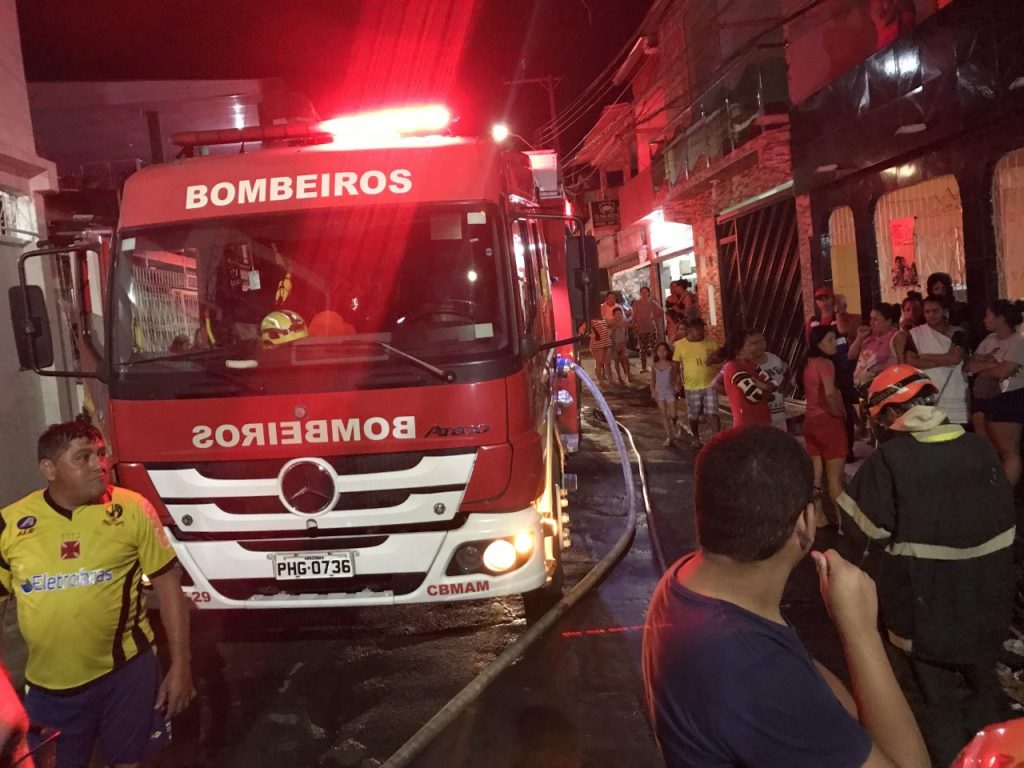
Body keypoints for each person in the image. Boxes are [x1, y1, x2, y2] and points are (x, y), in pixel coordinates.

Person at [643, 425, 930, 768]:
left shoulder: (685, 580)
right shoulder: (756, 671)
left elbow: (835, 709)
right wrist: (860, 630)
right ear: (806, 523)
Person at [837, 365, 1015, 767]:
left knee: (932, 711)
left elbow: (858, 533)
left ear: (885, 415)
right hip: (988, 612)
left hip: (924, 621)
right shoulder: (981, 449)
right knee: (985, 701)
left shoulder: (891, 461)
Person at [0, 421, 195, 768]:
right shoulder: (11, 524)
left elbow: (168, 584)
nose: (99, 465)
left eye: (101, 454)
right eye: (83, 457)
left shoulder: (132, 509)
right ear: (49, 469)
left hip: (127, 674)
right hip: (49, 690)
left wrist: (181, 665)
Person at [966, 299, 1024, 487]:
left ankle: (1005, 494)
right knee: (987, 447)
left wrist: (983, 368)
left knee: (1008, 449)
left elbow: (1002, 372)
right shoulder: (989, 340)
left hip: (1010, 397)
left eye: (988, 315)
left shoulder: (1018, 342)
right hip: (986, 397)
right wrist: (990, 366)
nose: (984, 320)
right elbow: (969, 365)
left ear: (1001, 318)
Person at [803, 325, 848, 528]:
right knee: (835, 479)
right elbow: (830, 393)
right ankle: (843, 523)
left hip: (811, 421)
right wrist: (837, 413)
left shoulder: (808, 363)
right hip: (828, 423)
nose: (835, 344)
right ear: (818, 343)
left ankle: (818, 517)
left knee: (816, 476)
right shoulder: (825, 364)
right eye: (830, 340)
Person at [807, 286, 858, 461]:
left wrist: (839, 311)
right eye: (819, 298)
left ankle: (847, 448)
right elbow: (810, 343)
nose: (822, 301)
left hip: (841, 366)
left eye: (826, 297)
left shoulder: (841, 319)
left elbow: (845, 333)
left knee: (843, 405)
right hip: (824, 365)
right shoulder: (813, 320)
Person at [906, 295, 969, 426]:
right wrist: (945, 359)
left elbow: (955, 358)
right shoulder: (916, 334)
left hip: (954, 391)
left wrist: (925, 356)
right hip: (928, 392)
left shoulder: (957, 332)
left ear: (944, 311)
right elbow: (912, 362)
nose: (931, 315)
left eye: (935, 311)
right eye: (927, 312)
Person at [672, 319, 721, 448]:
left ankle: (717, 439)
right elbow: (675, 365)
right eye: (697, 328)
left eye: (701, 328)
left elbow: (720, 359)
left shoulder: (711, 343)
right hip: (691, 385)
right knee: (693, 414)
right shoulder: (680, 345)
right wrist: (674, 383)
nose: (700, 331)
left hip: (710, 384)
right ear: (689, 330)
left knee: (712, 412)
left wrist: (714, 360)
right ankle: (696, 437)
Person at [720, 327, 775, 428]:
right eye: (749, 344)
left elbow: (774, 384)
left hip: (763, 419)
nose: (753, 348)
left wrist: (763, 386)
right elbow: (755, 395)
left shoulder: (752, 364)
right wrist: (766, 389)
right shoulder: (732, 367)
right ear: (738, 349)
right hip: (746, 423)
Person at [650, 342, 678, 447]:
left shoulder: (672, 364)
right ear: (656, 353)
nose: (662, 353)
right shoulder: (654, 366)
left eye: (664, 350)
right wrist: (653, 391)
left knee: (673, 414)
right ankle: (669, 437)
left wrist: (677, 385)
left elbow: (676, 377)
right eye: (659, 350)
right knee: (664, 415)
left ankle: (674, 424)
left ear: (668, 352)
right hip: (659, 392)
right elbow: (652, 381)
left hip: (670, 391)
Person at [630, 286, 664, 372]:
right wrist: (634, 327)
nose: (644, 294)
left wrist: (653, 317)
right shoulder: (636, 304)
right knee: (642, 349)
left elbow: (661, 311)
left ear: (648, 293)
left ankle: (656, 366)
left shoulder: (651, 302)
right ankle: (644, 367)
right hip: (641, 329)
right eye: (642, 292)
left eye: (646, 292)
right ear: (640, 293)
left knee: (654, 348)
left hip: (651, 329)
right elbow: (633, 317)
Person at [892, 291, 924, 364]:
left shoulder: (926, 328)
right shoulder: (898, 330)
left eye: (916, 309)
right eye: (908, 310)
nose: (912, 313)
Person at [608, 306, 632, 385]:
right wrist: (617, 325)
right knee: (616, 361)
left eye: (619, 314)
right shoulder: (611, 322)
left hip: (622, 343)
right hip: (614, 345)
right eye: (616, 314)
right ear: (613, 315)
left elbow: (628, 327)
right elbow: (609, 331)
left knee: (626, 359)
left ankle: (628, 374)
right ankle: (619, 376)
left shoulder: (624, 321)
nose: (618, 315)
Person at [585, 319, 613, 387]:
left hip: (606, 343)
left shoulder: (604, 319)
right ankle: (600, 381)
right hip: (597, 345)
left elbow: (610, 326)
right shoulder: (590, 320)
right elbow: (582, 329)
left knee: (608, 362)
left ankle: (611, 380)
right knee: (599, 363)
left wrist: (609, 331)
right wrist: (593, 336)